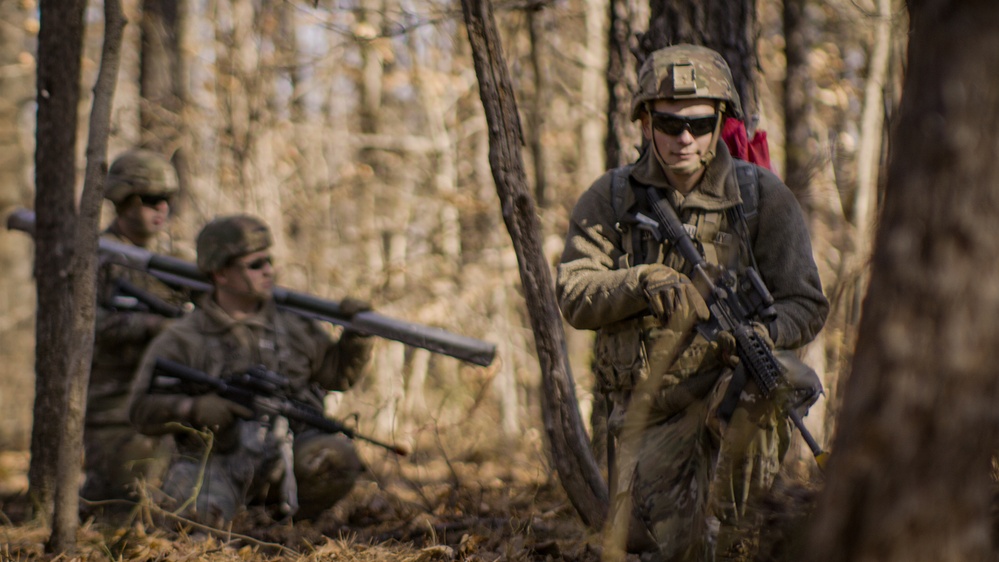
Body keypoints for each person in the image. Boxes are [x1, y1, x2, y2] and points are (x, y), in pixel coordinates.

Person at [556, 44, 829, 561]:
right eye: (668, 122)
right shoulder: (611, 200)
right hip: (651, 417)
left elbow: (807, 302)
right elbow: (573, 292)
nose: (685, 138)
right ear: (644, 123)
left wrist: (760, 336)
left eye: (701, 125)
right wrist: (640, 282)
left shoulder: (763, 198)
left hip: (734, 396)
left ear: (720, 122)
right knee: (681, 550)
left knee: (779, 380)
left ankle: (742, 529)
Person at [127, 214, 374, 526]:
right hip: (215, 461)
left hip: (287, 455)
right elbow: (140, 411)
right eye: (256, 265)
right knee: (192, 520)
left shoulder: (293, 324)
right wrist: (193, 407)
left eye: (269, 261)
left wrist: (357, 339)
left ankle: (286, 524)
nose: (268, 270)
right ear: (221, 273)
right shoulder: (182, 338)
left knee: (337, 458)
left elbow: (337, 376)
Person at [83, 149, 190, 506]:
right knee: (128, 497)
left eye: (168, 201)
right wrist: (150, 324)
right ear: (124, 200)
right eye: (152, 199)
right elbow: (82, 323)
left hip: (168, 404)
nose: (162, 209)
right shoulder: (97, 257)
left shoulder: (175, 267)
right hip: (113, 409)